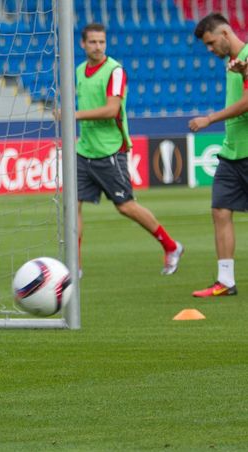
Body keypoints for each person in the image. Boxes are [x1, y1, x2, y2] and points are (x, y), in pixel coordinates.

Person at [73, 23, 184, 276]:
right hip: (84, 150)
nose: (98, 46)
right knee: (73, 206)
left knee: (125, 206)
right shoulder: (79, 70)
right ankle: (74, 265)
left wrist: (73, 114)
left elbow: (112, 110)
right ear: (83, 44)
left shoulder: (115, 71)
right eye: (93, 42)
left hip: (110, 151)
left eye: (102, 42)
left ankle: (171, 245)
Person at [188, 13, 248, 297]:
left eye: (211, 43)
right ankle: (225, 281)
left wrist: (209, 119)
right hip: (232, 151)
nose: (210, 49)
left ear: (225, 33)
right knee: (220, 210)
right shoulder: (232, 63)